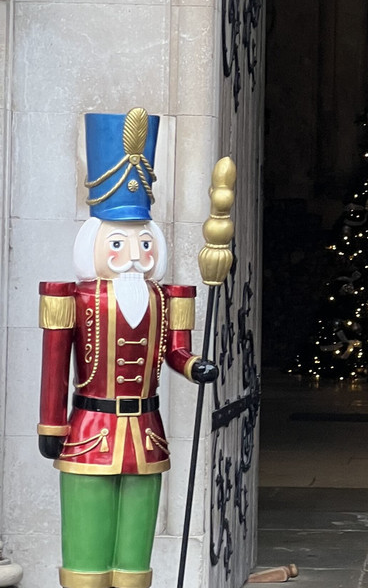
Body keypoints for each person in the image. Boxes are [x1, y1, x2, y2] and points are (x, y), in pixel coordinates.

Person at [37, 107, 218, 588]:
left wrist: (196, 365)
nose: (134, 255)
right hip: (89, 430)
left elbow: (175, 352)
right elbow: (54, 363)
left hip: (146, 431)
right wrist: (51, 423)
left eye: (142, 244)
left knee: (135, 553)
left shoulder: (168, 296)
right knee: (87, 549)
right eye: (118, 243)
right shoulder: (70, 297)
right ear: (93, 243)